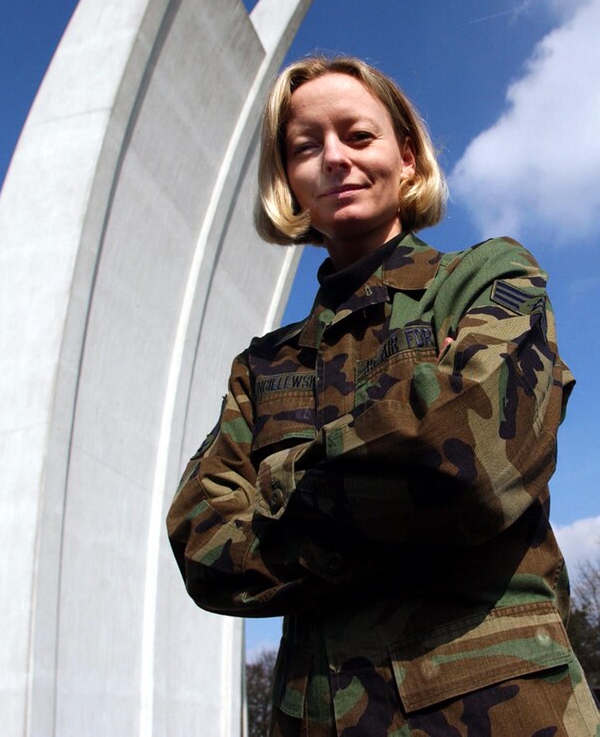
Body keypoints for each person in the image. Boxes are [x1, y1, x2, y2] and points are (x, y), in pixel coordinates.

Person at [166, 55, 600, 735]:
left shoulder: (485, 278)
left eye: (357, 136)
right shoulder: (263, 366)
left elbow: (469, 463)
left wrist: (281, 487)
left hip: (495, 713)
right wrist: (388, 478)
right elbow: (203, 546)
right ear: (287, 180)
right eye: (305, 147)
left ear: (405, 157)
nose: (333, 159)